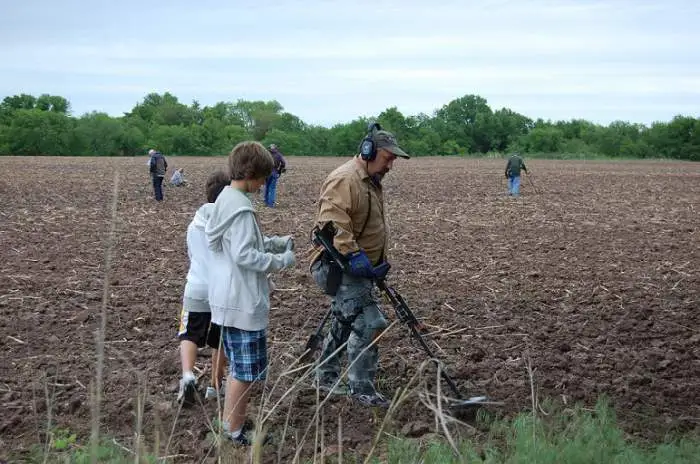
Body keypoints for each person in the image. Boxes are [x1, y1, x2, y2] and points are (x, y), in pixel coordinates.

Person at [309, 124, 409, 408]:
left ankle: (324, 377)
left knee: (343, 319)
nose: (391, 165)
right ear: (369, 151)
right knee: (370, 322)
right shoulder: (346, 179)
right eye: (388, 158)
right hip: (338, 267)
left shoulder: (370, 180)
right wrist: (355, 256)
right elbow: (331, 224)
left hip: (358, 268)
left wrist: (377, 261)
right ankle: (361, 388)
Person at [206, 141, 296, 446]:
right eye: (262, 177)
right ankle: (234, 431)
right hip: (242, 301)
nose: (263, 184)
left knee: (238, 366)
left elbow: (239, 245)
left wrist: (272, 241)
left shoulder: (225, 200)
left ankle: (230, 422)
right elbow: (245, 254)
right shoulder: (242, 210)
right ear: (249, 173)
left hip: (226, 300)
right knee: (245, 370)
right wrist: (280, 260)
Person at [176, 170, 231, 406]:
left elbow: (191, 255)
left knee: (189, 334)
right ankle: (215, 385)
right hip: (222, 291)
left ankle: (188, 375)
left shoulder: (194, 224)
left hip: (196, 288)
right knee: (219, 339)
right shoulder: (229, 224)